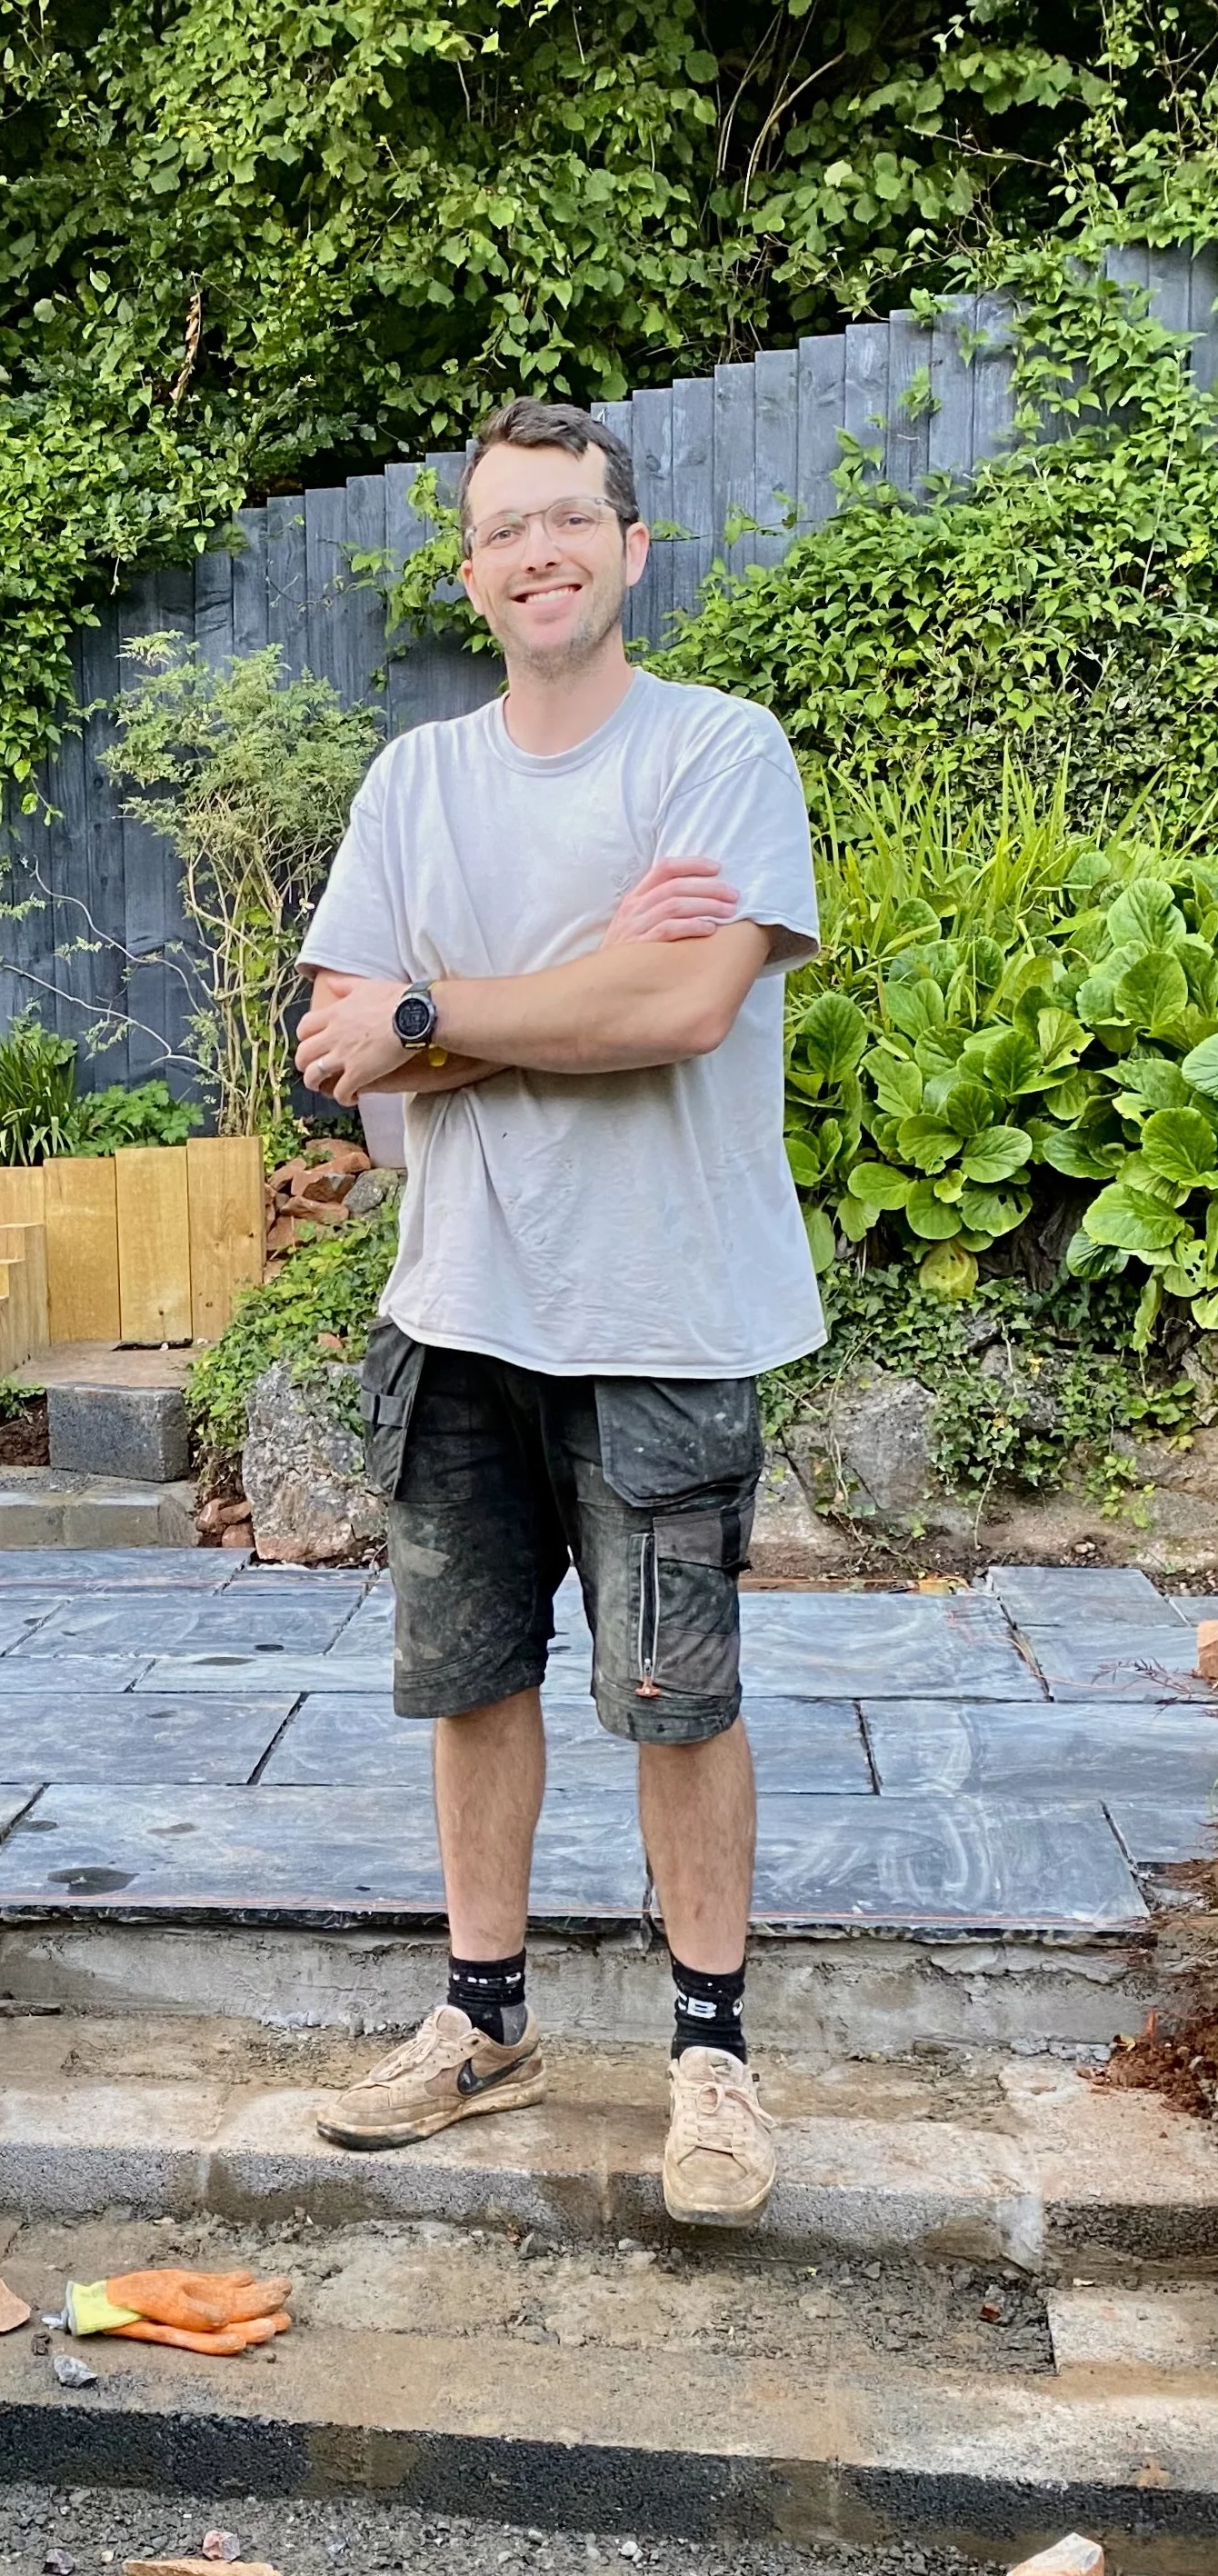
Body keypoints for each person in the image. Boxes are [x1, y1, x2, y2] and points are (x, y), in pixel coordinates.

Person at [294, 396, 824, 2225]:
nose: (539, 551)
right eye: (505, 527)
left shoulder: (719, 752)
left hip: (662, 1312)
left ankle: (710, 2052)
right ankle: (484, 2017)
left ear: (631, 548)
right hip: (453, 1306)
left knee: (675, 1696)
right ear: (469, 569)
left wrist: (441, 1011)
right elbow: (336, 1052)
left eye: (570, 521)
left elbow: (679, 1013)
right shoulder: (412, 784)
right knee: (470, 1684)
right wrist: (560, 986)